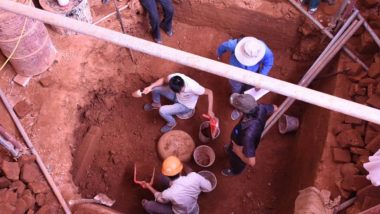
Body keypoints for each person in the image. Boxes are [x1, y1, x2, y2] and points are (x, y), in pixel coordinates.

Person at [216, 36, 274, 120]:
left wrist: (260, 78)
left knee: (249, 89)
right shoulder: (233, 45)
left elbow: (268, 62)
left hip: (253, 74)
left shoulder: (265, 52)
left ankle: (241, 102)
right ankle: (237, 100)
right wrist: (219, 55)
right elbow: (222, 47)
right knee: (235, 87)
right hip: (235, 73)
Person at [221, 93, 277, 176]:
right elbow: (275, 108)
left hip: (241, 148)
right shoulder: (260, 107)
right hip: (237, 140)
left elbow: (251, 162)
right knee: (231, 148)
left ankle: (234, 171)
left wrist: (238, 152)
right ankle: (230, 150)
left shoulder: (248, 135)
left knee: (236, 161)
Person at [143, 72, 215, 133]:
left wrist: (210, 110)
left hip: (186, 106)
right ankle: (156, 104)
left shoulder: (194, 87)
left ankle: (172, 123)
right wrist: (150, 87)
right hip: (177, 97)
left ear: (182, 85)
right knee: (154, 89)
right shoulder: (174, 78)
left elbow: (209, 92)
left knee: (162, 110)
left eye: (180, 90)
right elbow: (163, 80)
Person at [139, 156, 212, 214]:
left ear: (167, 175)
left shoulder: (168, 193)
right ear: (180, 170)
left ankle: (148, 207)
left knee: (148, 206)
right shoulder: (195, 177)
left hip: (178, 212)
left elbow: (159, 198)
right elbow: (208, 187)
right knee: (162, 178)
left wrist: (148, 186)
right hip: (192, 208)